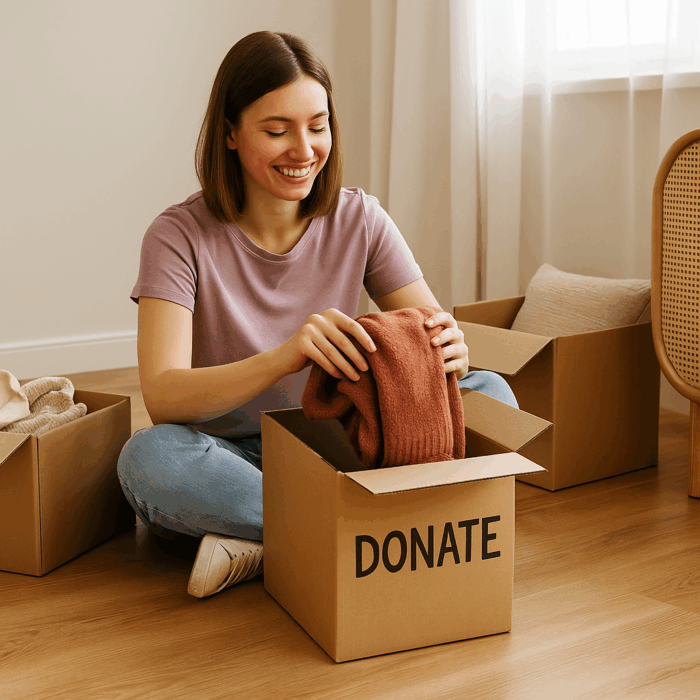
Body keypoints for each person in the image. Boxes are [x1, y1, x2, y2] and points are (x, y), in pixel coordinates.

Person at [117, 30, 517, 599]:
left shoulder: (361, 218)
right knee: (147, 460)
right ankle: (388, 529)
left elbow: (430, 338)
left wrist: (448, 346)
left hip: (342, 436)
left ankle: (275, 541)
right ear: (230, 133)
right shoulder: (177, 236)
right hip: (231, 454)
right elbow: (164, 396)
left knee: (493, 394)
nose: (303, 150)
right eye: (277, 131)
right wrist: (286, 357)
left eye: (318, 125)